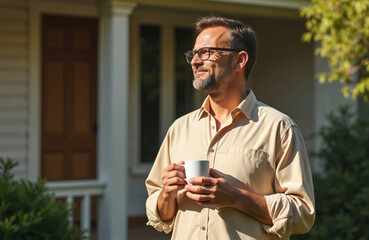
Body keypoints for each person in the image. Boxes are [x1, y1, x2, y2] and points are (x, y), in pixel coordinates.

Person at [145, 16, 315, 240]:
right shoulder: (179, 128)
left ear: (239, 61)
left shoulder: (278, 128)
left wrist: (237, 197)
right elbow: (160, 213)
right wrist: (166, 194)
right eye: (193, 54)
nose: (195, 61)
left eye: (206, 52)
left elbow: (302, 214)